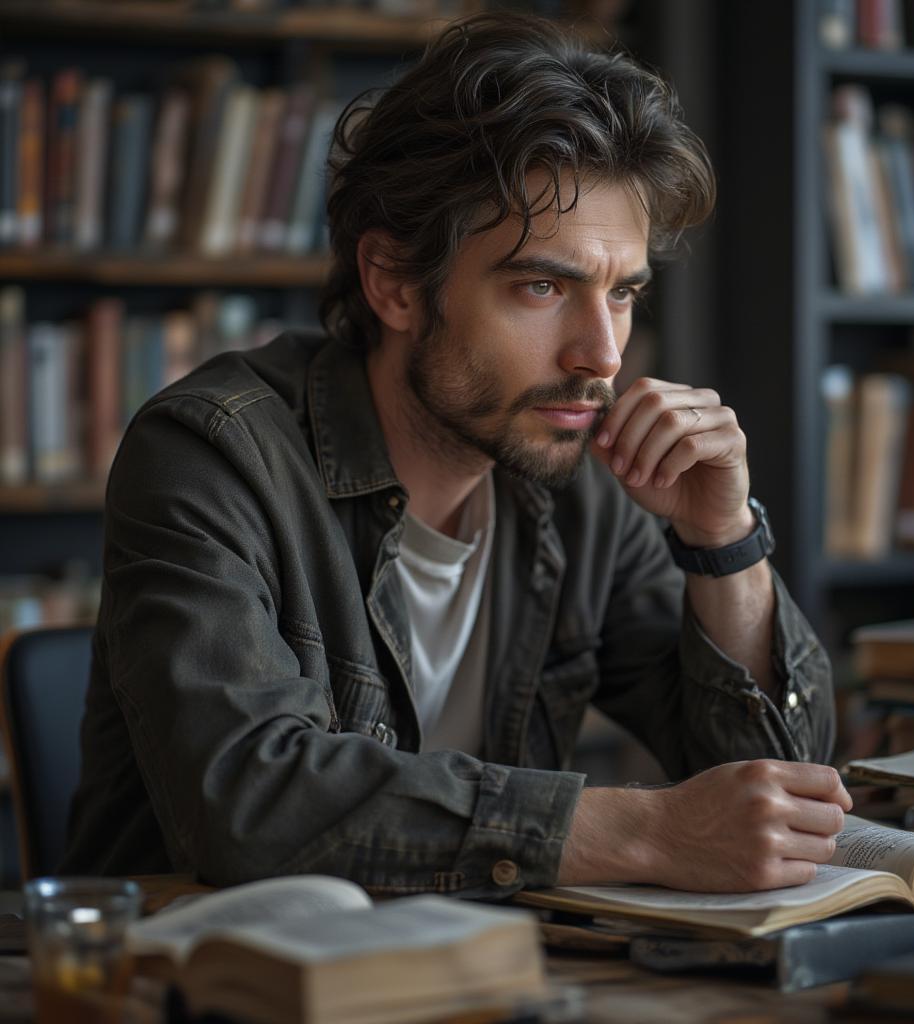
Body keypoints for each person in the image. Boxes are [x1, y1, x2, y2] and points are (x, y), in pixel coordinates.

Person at [63, 13, 852, 896]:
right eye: (542, 287)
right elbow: (248, 803)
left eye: (622, 293)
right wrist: (639, 830)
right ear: (394, 282)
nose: (602, 355)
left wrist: (724, 542)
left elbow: (782, 788)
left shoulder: (576, 483)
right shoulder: (213, 452)